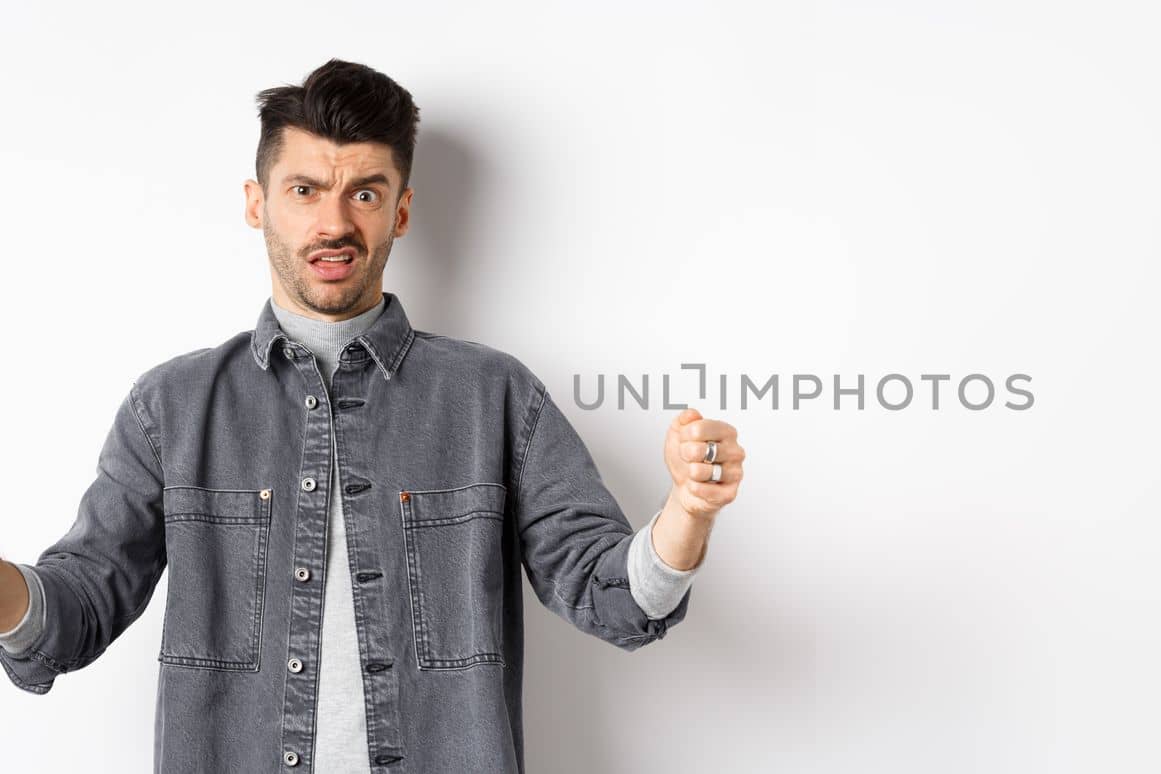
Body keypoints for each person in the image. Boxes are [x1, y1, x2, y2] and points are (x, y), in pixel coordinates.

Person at [0, 58, 744, 772]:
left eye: (364, 192)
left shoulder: (494, 397)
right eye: (304, 190)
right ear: (257, 202)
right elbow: (77, 609)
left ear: (402, 209)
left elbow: (607, 594)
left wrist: (688, 510)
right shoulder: (171, 407)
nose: (334, 222)